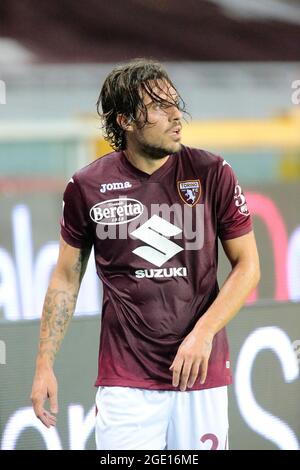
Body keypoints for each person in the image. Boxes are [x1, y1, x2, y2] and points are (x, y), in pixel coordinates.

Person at [31, 58, 260, 450]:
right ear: (126, 121)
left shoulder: (211, 172)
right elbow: (67, 278)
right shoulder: (87, 186)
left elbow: (248, 267)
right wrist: (43, 365)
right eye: (159, 107)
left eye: (176, 103)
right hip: (125, 385)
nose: (176, 116)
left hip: (200, 377)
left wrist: (203, 334)